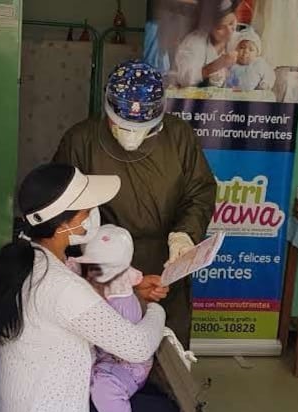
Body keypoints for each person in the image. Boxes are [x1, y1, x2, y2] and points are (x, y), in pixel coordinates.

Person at [0, 164, 188, 412]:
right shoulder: (60, 285)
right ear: (62, 225)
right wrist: (154, 311)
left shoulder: (29, 258)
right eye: (86, 210)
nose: (93, 214)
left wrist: (131, 289)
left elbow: (79, 293)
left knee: (145, 403)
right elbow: (136, 347)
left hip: (19, 402)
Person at [53, 60, 217, 347]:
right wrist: (116, 275)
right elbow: (64, 209)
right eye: (122, 125)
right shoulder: (80, 141)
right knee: (108, 362)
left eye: (141, 128)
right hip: (101, 266)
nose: (131, 135)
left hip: (166, 261)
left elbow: (199, 191)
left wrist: (184, 236)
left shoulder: (179, 137)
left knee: (167, 354)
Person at [75, 224, 151, 412]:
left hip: (125, 367)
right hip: (108, 357)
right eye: (91, 267)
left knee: (103, 389)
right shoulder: (108, 274)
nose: (95, 275)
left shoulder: (121, 305)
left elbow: (117, 345)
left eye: (102, 269)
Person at [171, 0, 249, 88]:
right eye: (220, 27)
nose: (229, 31)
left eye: (231, 23)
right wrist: (215, 65)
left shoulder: (239, 39)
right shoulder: (194, 43)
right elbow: (184, 78)